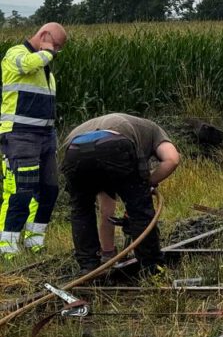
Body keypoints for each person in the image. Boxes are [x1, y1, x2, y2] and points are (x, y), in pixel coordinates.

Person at [60, 113, 180, 274]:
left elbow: (106, 210)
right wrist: (147, 185)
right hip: (114, 145)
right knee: (139, 209)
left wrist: (109, 253)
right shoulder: (154, 130)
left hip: (74, 151)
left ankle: (89, 267)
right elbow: (172, 159)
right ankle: (152, 267)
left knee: (82, 210)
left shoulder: (97, 126)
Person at [0, 23, 67, 259]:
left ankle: (34, 239)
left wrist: (47, 54)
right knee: (21, 190)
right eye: (55, 45)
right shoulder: (16, 54)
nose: (56, 52)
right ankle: (7, 245)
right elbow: (26, 65)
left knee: (49, 189)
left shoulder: (45, 67)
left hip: (45, 137)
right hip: (20, 134)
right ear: (44, 36)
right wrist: (47, 52)